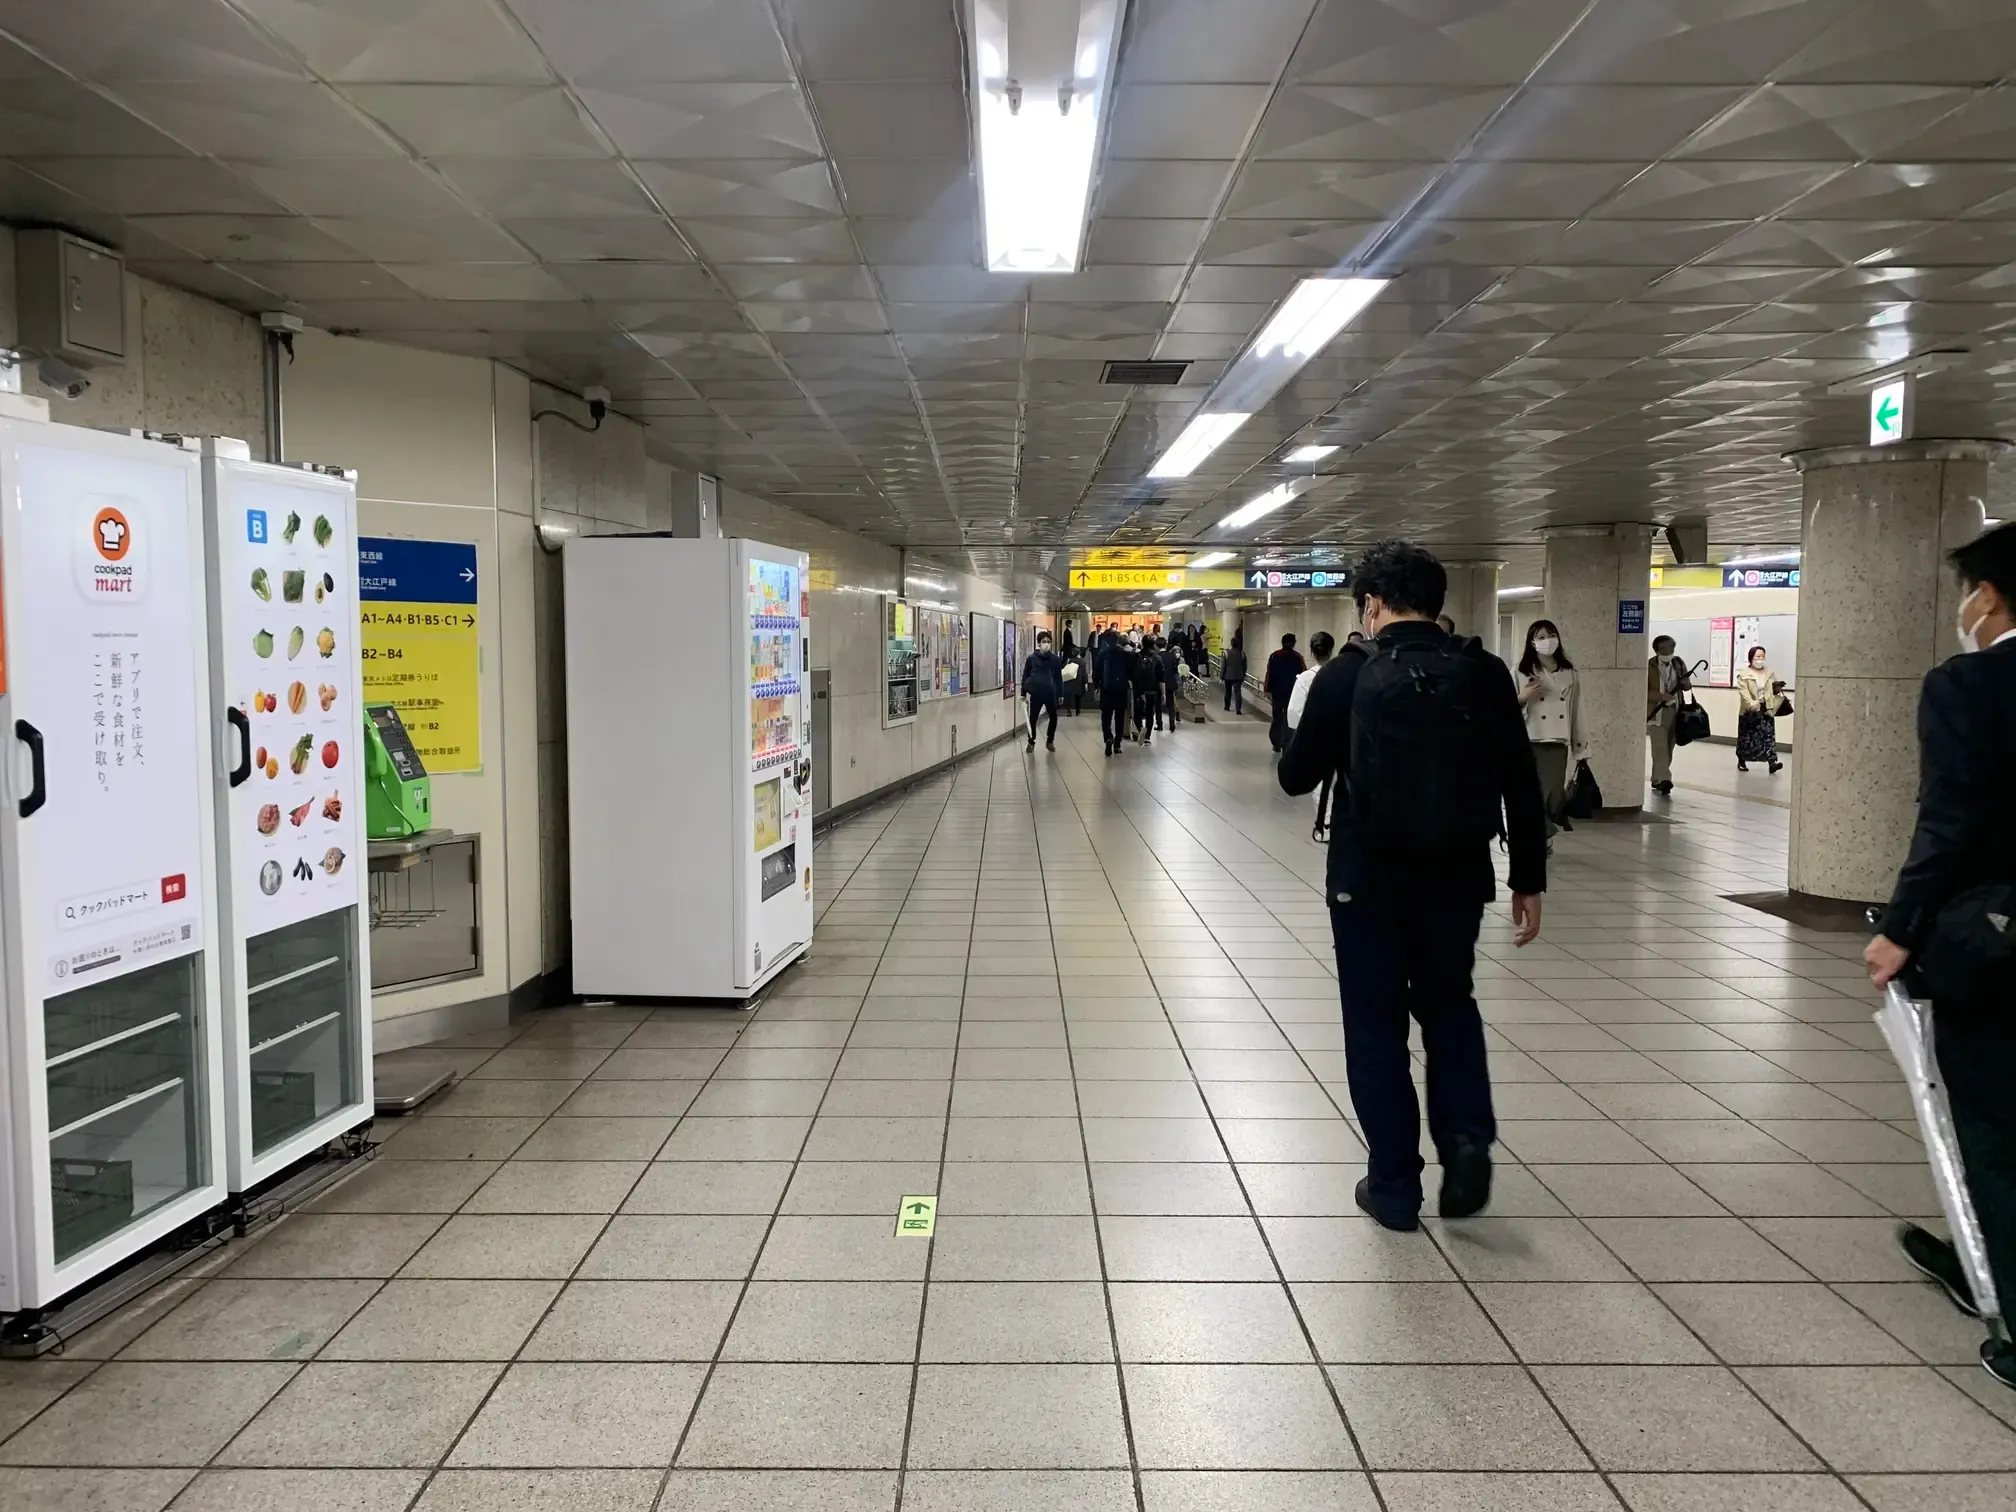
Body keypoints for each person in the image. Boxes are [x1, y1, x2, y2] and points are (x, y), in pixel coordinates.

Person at [1280, 539, 1547, 1231]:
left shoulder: (1347, 675)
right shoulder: (1484, 673)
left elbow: (1295, 776)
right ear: (1436, 603)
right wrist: (1527, 879)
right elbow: (1520, 779)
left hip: (1366, 881)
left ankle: (1395, 1188)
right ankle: (1464, 1142)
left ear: (1371, 605)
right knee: (1450, 1005)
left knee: (1375, 1026)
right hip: (1459, 876)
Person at [1865, 520, 2016, 1391]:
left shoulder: (1970, 686)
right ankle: (1977, 1256)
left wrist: (1902, 927)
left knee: (1994, 1124)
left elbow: (1949, 818)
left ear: (1988, 597)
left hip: (1997, 942)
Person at [1516, 619, 1586, 829]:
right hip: (1531, 738)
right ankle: (1542, 836)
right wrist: (1524, 696)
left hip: (1558, 739)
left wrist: (1581, 746)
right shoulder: (1521, 671)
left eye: (1551, 635)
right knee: (1536, 792)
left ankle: (1544, 828)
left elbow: (1577, 709)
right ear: (1532, 642)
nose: (1548, 641)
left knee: (1554, 792)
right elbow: (1504, 706)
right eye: (1541, 637)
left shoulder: (1570, 673)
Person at [1288, 632, 1337, 838]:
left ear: (1311, 651)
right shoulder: (1342, 675)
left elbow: (1294, 712)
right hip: (1342, 737)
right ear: (1332, 650)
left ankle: (1325, 824)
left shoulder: (1306, 679)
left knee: (1322, 785)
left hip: (1317, 738)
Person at [1646, 634, 1692, 796]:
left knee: (1669, 746)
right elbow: (1642, 689)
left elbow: (1687, 685)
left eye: (1671, 647)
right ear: (1657, 649)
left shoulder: (1678, 664)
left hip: (1675, 710)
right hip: (1656, 712)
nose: (1669, 650)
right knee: (1659, 747)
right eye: (1665, 647)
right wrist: (1659, 696)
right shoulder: (1650, 666)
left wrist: (1685, 684)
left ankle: (1657, 778)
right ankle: (1665, 779)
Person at [1734, 645, 1784, 774]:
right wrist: (1751, 704)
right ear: (1751, 658)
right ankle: (1742, 760)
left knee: (1768, 735)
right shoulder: (1744, 674)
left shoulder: (1769, 672)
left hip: (1766, 707)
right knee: (1747, 737)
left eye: (1762, 656)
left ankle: (1772, 762)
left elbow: (1772, 687)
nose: (1760, 659)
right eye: (1757, 656)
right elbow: (1743, 691)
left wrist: (1777, 688)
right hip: (1750, 709)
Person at [1021, 629, 1063, 752]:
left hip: (1050, 693)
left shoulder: (1054, 659)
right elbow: (1025, 676)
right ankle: (1031, 741)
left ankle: (1050, 740)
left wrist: (1060, 694)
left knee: (1053, 717)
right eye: (1044, 641)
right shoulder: (1032, 659)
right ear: (1038, 644)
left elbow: (1058, 677)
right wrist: (1023, 693)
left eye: (1049, 642)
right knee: (1033, 718)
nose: (1047, 644)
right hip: (1036, 693)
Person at [1094, 628, 1132, 756]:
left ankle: (1108, 737)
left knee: (1106, 716)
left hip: (1107, 688)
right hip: (1121, 689)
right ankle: (1117, 744)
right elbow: (1130, 671)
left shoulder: (1102, 654)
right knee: (1120, 717)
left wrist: (1096, 685)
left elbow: (1096, 672)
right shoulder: (1124, 654)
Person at [1265, 633, 1306, 752]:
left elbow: (1269, 674)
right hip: (1292, 692)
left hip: (1277, 692)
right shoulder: (1298, 657)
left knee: (1277, 717)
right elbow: (1303, 674)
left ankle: (1276, 741)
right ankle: (1285, 741)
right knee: (1288, 718)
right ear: (1293, 643)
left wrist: (1267, 690)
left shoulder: (1274, 656)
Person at [1131, 631, 1162, 744]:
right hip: (1152, 690)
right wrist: (1162, 693)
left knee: (1137, 712)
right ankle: (1147, 736)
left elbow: (1131, 673)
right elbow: (1161, 678)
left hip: (1139, 689)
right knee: (1150, 713)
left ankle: (1139, 730)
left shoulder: (1136, 656)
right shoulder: (1157, 658)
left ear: (1142, 644)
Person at [1157, 633, 1183, 733]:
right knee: (1171, 703)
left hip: (1159, 683)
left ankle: (1159, 724)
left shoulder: (1157, 656)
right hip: (1171, 683)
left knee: (1158, 704)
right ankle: (1172, 723)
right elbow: (1175, 669)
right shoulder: (1171, 656)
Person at [1220, 632, 1247, 713]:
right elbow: (1245, 666)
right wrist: (1243, 674)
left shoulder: (1226, 653)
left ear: (1231, 644)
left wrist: (1221, 676)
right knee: (1238, 692)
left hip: (1228, 676)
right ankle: (1238, 709)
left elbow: (1223, 666)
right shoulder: (1242, 653)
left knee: (1228, 691)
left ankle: (1227, 706)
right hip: (1239, 676)